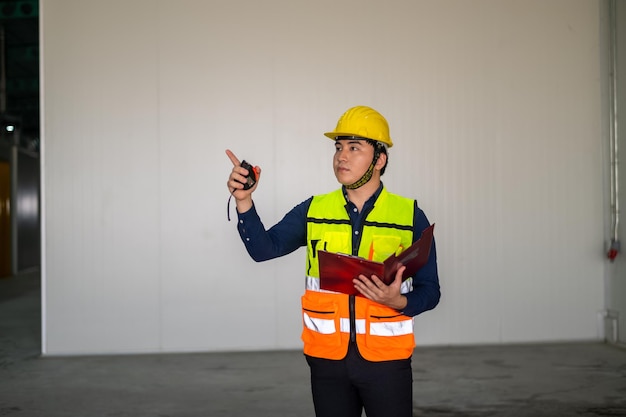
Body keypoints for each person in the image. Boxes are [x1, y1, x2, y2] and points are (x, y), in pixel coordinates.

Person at [226, 105, 440, 417]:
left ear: (380, 159)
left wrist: (399, 301)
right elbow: (263, 250)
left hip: (386, 363)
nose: (342, 156)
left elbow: (431, 291)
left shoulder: (409, 216)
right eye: (339, 147)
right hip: (327, 363)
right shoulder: (313, 210)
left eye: (355, 148)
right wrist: (244, 201)